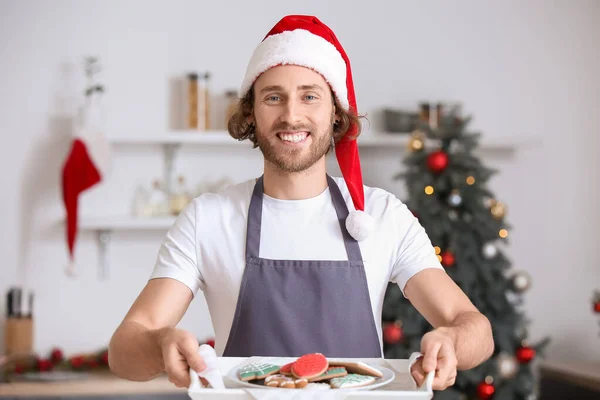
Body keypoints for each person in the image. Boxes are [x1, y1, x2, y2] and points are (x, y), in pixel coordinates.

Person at [108, 15, 494, 391]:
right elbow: (124, 349)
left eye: (309, 96)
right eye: (273, 97)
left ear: (335, 113)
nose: (291, 115)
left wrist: (451, 343)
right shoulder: (208, 219)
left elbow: (474, 326)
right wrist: (160, 344)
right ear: (252, 113)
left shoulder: (381, 215)